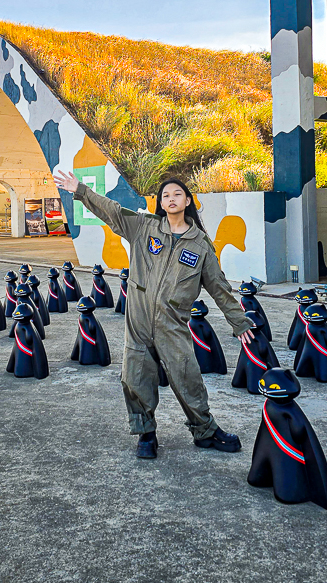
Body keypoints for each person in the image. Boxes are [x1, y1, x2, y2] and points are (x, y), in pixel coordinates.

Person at [53, 170, 256, 460]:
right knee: (135, 378)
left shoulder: (200, 246)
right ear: (161, 203)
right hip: (138, 321)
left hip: (172, 325)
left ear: (188, 200)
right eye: (165, 195)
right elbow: (111, 210)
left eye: (177, 194)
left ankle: (205, 431)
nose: (171, 199)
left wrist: (239, 321)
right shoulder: (144, 227)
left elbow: (220, 288)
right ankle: (146, 433)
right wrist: (80, 190)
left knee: (188, 377)